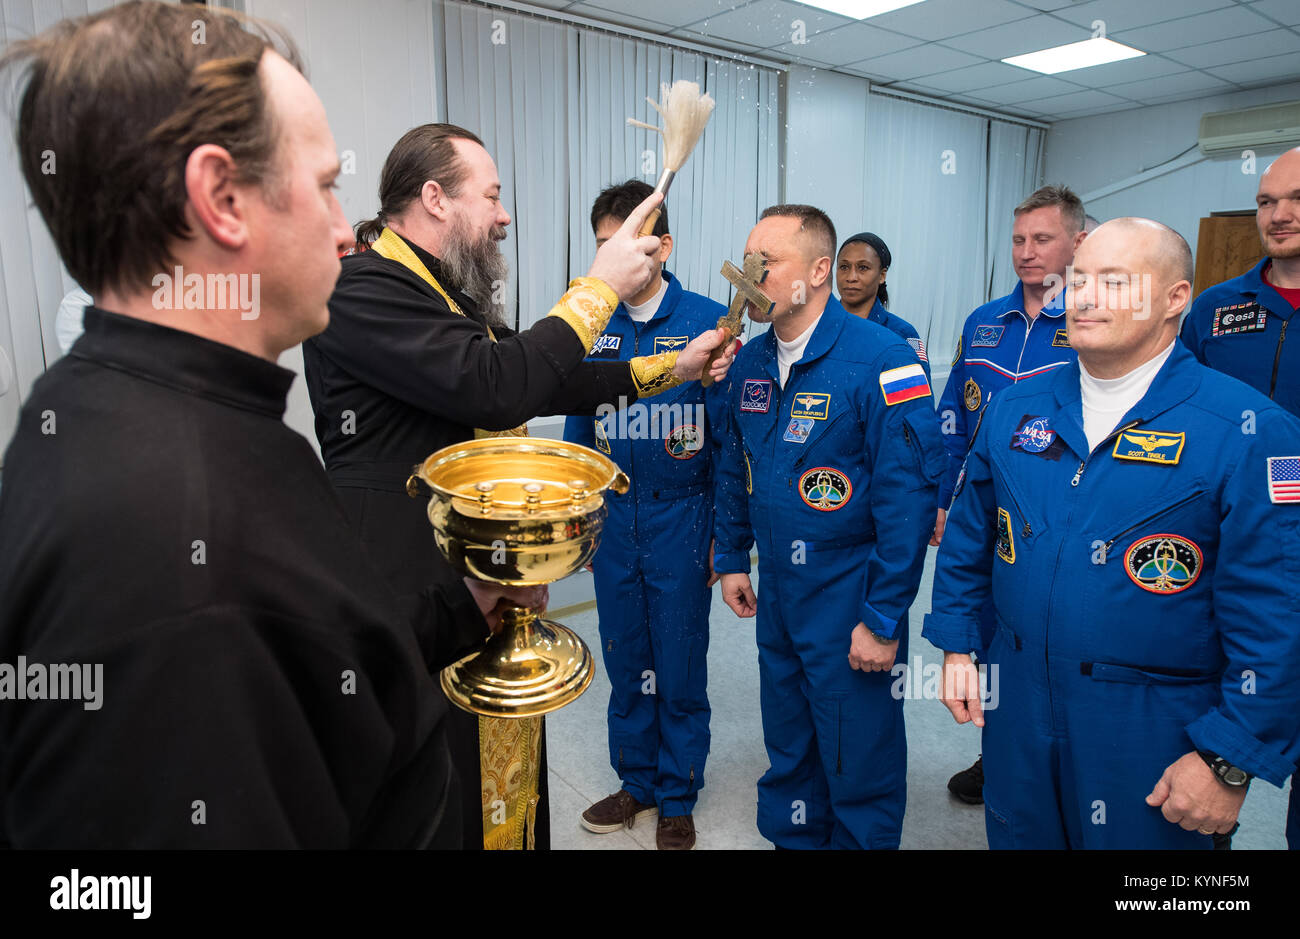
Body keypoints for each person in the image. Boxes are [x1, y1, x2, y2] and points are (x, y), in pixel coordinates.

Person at [0, 1, 539, 848]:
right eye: (325, 185)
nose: (341, 229)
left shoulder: (150, 413)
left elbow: (319, 671)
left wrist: (462, 608)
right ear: (220, 197)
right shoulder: (169, 510)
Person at [302, 126, 733, 850]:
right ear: (434, 198)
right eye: (493, 195)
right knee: (439, 796)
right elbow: (497, 388)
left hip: (475, 585)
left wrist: (674, 369)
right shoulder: (366, 288)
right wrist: (598, 288)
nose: (505, 215)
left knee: (499, 789)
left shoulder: (442, 294)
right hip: (408, 587)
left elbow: (552, 376)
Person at [926, 217, 1300, 849]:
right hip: (1019, 708)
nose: (1083, 297)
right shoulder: (1015, 409)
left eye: (1114, 281)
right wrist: (958, 646)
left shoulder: (1254, 431)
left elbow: (1278, 616)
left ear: (1176, 299)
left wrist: (1226, 761)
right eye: (1077, 279)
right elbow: (970, 540)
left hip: (1155, 727)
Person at [713, 204, 946, 849]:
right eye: (749, 260)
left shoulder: (883, 358)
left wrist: (881, 618)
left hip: (849, 589)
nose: (751, 276)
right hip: (779, 594)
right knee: (789, 734)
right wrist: (732, 556)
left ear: (819, 271)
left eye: (769, 263)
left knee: (857, 745)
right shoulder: (754, 362)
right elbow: (735, 463)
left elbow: (908, 500)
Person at [562, 180, 727, 850]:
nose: (614, 256)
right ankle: (637, 780)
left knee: (680, 659)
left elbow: (730, 438)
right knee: (627, 656)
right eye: (604, 244)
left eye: (628, 241)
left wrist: (728, 537)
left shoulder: (711, 321)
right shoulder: (588, 323)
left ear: (663, 244)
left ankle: (678, 791)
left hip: (682, 518)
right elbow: (578, 428)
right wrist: (578, 517)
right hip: (614, 516)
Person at [935, 184, 1088, 805]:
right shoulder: (983, 322)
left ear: (1078, 242)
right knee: (990, 632)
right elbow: (954, 414)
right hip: (982, 509)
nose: (1027, 252)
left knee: (1053, 633)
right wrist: (945, 496)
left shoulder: (1091, 320)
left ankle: (1069, 766)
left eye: (1042, 239)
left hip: (1060, 512)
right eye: (1020, 239)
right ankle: (995, 748)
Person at [1180, 145, 1300, 848]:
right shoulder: (1217, 310)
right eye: (1265, 200)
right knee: (1207, 759)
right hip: (1223, 554)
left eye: (1296, 198)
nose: (1279, 214)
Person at [835, 231, 929, 381]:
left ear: (882, 275)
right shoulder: (818, 328)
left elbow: (914, 400)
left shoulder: (901, 334)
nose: (851, 277)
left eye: (863, 268)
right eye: (844, 267)